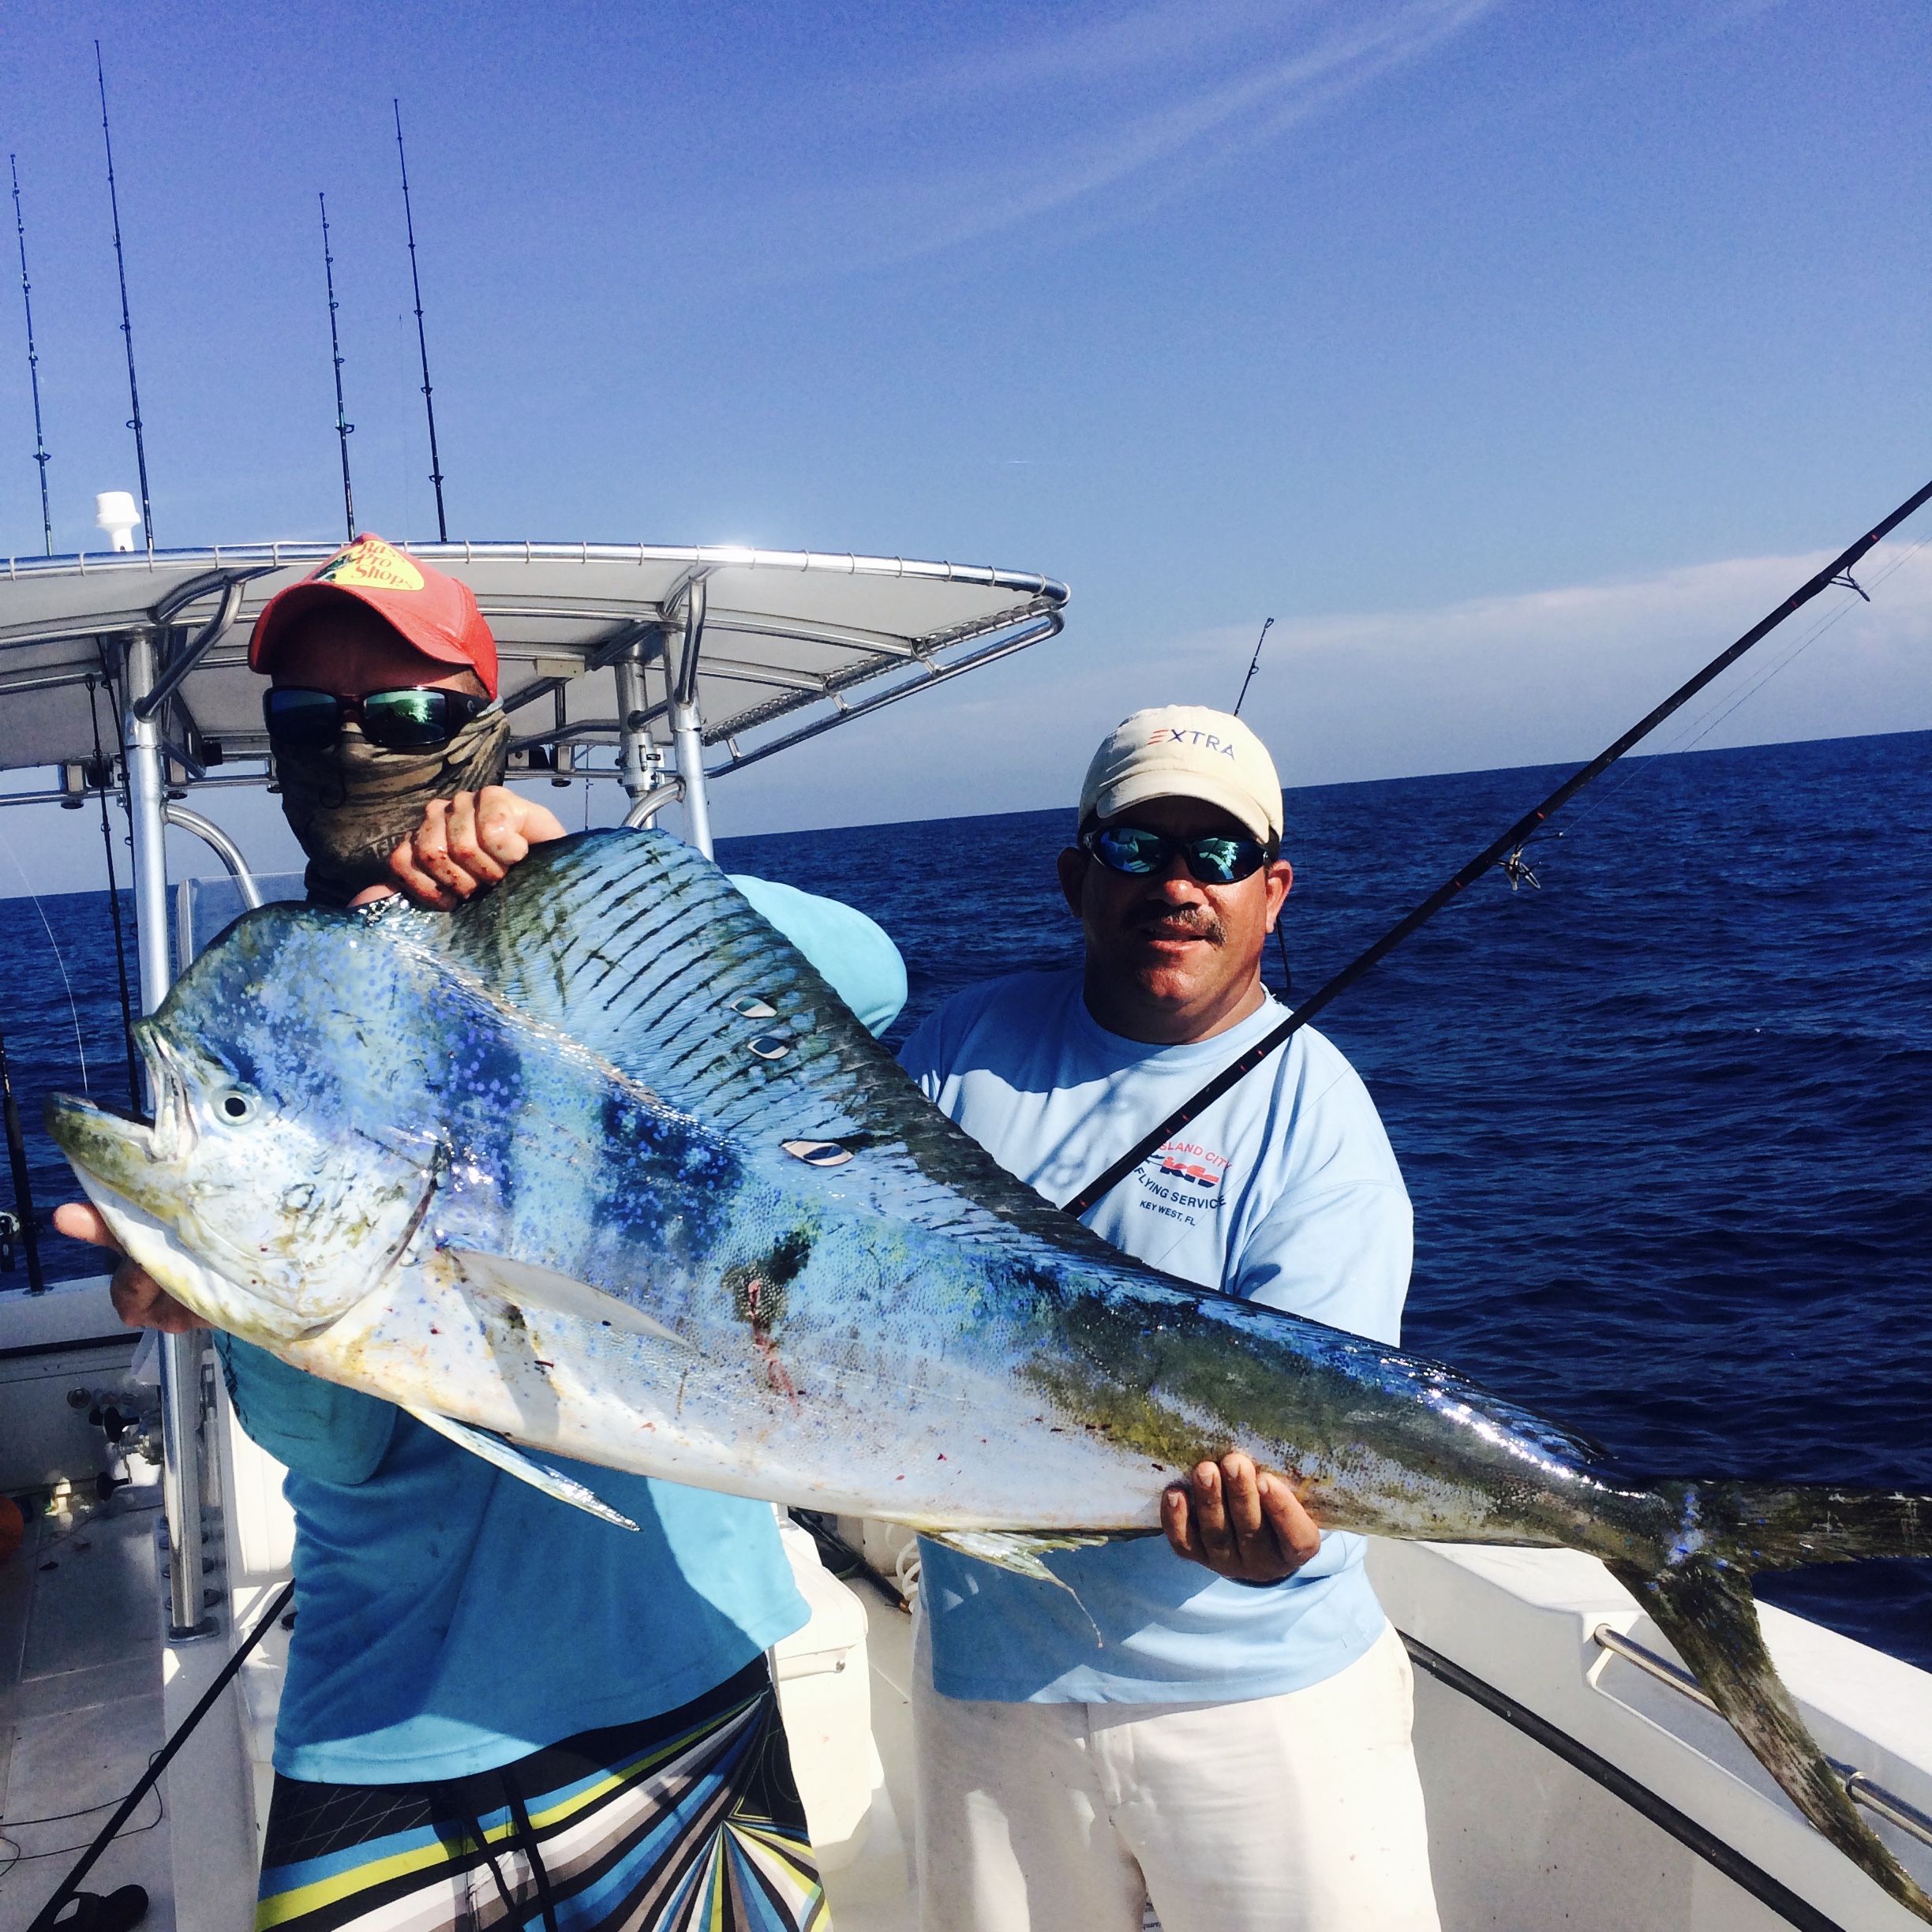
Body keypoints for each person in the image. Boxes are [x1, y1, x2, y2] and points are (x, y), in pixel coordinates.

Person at [56, 533, 905, 1932]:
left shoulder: (588, 955)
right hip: (395, 1726)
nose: (353, 745)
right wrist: (235, 1304)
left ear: (484, 733)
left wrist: (578, 873)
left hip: (689, 1680)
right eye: (308, 718)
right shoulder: (265, 1013)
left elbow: (870, 978)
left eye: (403, 714)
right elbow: (332, 1443)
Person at [897, 705, 1440, 1932]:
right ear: (1077, 876)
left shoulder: (1322, 1123)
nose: (1180, 884)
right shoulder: (955, 1050)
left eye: (1221, 856)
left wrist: (1281, 1534)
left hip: (1258, 1703)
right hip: (993, 1686)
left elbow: (1314, 1448)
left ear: (1274, 891)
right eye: (1140, 850)